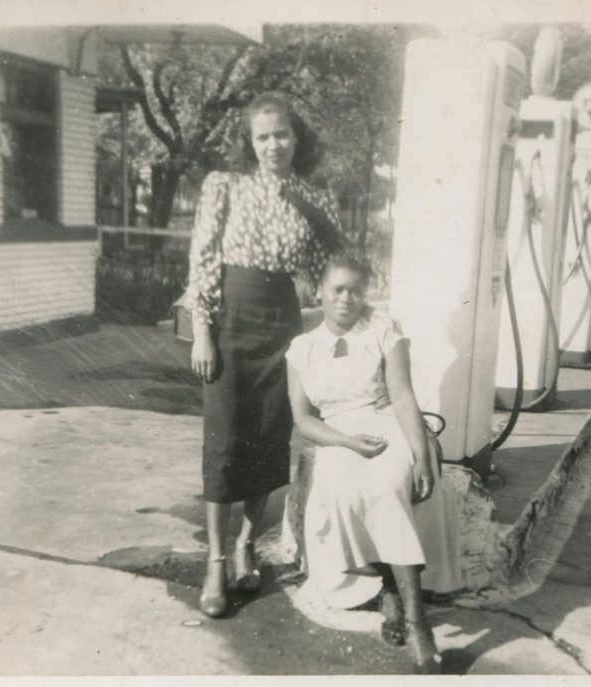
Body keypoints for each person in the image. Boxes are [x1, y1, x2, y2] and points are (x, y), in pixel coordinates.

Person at [188, 91, 345, 619]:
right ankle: (214, 559)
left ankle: (245, 545)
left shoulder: (314, 197)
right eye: (262, 136)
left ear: (297, 138)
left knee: (268, 437)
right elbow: (204, 261)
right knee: (226, 438)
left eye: (281, 134)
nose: (273, 144)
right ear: (249, 143)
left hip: (283, 322)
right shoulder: (224, 187)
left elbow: (334, 270)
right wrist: (203, 333)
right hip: (231, 317)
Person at [284, 250, 464, 674]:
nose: (346, 299)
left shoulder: (383, 331)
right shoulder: (302, 349)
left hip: (388, 424)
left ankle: (418, 623)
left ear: (366, 293)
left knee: (387, 484)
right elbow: (303, 419)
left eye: (355, 290)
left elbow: (402, 395)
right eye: (337, 290)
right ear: (319, 293)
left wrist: (421, 455)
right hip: (338, 435)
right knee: (346, 487)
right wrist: (346, 441)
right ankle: (387, 588)